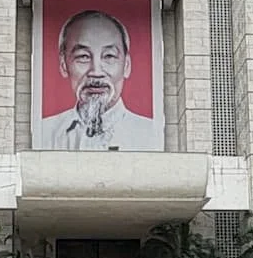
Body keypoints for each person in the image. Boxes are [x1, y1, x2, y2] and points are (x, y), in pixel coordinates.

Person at [38, 8, 163, 151]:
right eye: (83, 56)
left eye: (109, 56)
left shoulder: (152, 135)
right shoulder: (44, 133)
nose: (96, 72)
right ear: (63, 65)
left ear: (127, 65)